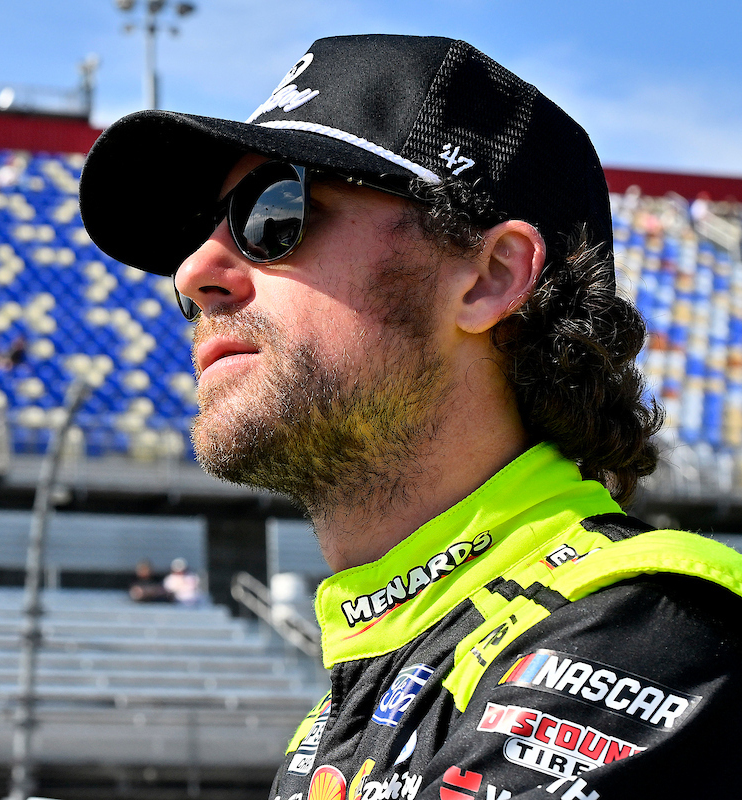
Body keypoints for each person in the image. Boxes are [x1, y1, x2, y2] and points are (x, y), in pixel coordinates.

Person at [78, 34, 742, 798]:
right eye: (203, 228)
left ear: (489, 278)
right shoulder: (340, 709)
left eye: (273, 211)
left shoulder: (642, 632)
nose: (195, 271)